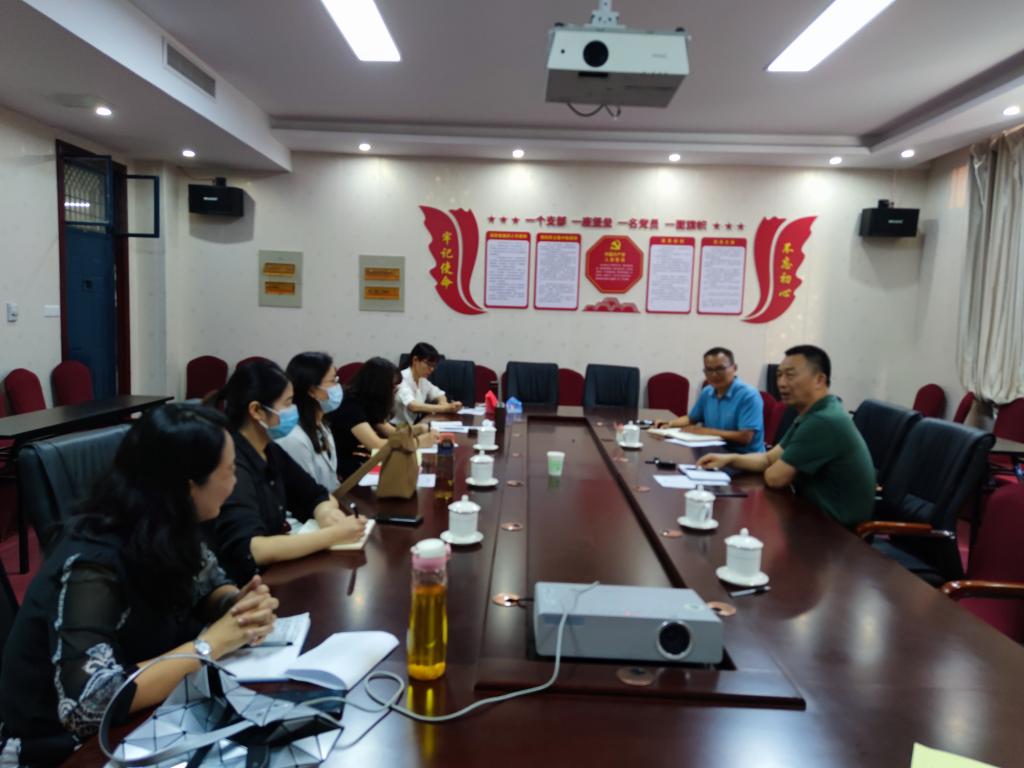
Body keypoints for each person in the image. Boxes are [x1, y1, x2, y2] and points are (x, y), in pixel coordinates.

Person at [0, 404, 278, 766]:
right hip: (60, 748)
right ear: (188, 487)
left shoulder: (163, 522)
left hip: (149, 719)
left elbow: (208, 583)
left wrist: (237, 606)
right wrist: (210, 645)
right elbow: (86, 703)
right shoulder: (91, 564)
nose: (235, 482)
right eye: (228, 471)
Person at [204, 359, 366, 584]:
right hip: (242, 585)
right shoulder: (232, 462)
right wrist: (333, 535)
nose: (294, 409)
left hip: (274, 574)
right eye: (288, 403)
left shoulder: (269, 449)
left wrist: (325, 514)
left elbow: (315, 494)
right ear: (257, 411)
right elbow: (252, 549)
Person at [697, 345, 875, 529]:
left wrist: (774, 466)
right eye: (779, 375)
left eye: (790, 375)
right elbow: (768, 458)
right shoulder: (811, 414)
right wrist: (729, 459)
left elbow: (775, 478)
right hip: (809, 514)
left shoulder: (824, 421)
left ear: (819, 379)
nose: (781, 383)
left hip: (835, 532)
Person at [329, 356, 439, 480]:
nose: (394, 391)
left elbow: (392, 433)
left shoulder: (368, 402)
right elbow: (376, 444)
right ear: (379, 387)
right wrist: (417, 442)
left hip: (366, 460)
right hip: (350, 470)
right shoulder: (350, 405)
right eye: (393, 387)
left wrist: (418, 429)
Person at [655, 347, 765, 453]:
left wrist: (706, 432)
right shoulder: (707, 391)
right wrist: (670, 423)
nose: (714, 375)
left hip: (744, 457)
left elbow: (745, 437)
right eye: (709, 370)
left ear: (734, 368)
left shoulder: (748, 395)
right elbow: (692, 418)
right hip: (713, 451)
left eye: (720, 369)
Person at [276, 351, 343, 492]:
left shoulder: (321, 424)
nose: (338, 386)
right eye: (332, 381)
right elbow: (306, 492)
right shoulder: (293, 438)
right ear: (312, 391)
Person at [393, 342, 462, 425]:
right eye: (429, 364)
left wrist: (443, 403)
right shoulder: (402, 378)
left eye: (434, 366)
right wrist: (445, 408)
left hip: (414, 426)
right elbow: (413, 406)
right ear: (415, 360)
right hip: (396, 428)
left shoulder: (422, 380)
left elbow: (438, 393)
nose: (431, 369)